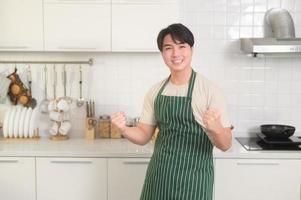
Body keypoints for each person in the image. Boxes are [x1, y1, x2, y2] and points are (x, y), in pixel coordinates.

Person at [111, 23, 233, 200]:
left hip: (195, 179)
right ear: (162, 53)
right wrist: (123, 129)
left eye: (182, 46)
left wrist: (216, 129)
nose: (175, 54)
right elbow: (144, 135)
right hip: (160, 175)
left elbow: (225, 144)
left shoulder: (209, 91)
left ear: (191, 50)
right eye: (169, 48)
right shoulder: (155, 91)